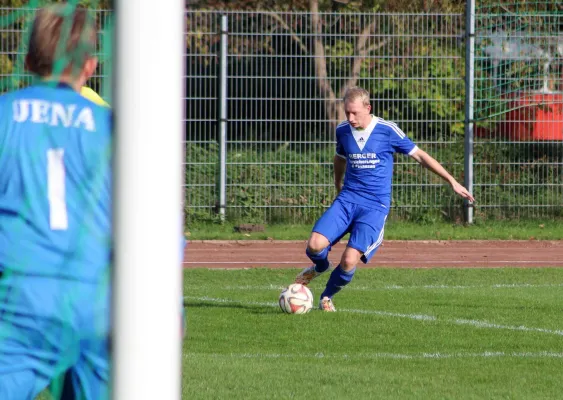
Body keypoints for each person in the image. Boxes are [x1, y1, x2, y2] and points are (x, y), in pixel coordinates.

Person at [0, 4, 112, 399]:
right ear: (91, 65)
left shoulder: (4, 117)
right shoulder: (112, 129)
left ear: (28, 59)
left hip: (21, 300)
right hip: (95, 305)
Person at [295, 86, 475, 312]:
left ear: (368, 108)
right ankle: (320, 267)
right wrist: (337, 185)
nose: (350, 118)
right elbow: (339, 158)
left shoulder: (387, 130)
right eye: (346, 113)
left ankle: (326, 296)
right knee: (314, 246)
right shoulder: (342, 130)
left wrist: (452, 181)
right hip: (348, 199)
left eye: (355, 113)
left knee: (350, 260)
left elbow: (420, 155)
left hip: (374, 207)